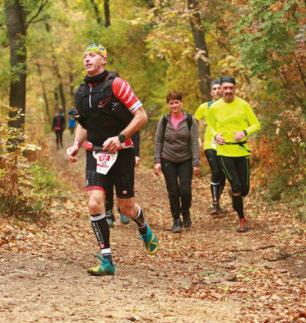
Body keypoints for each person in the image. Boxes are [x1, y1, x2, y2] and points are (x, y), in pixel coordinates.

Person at [66, 43, 158, 276]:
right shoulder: (80, 92)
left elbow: (142, 116)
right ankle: (106, 259)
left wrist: (120, 137)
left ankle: (143, 226)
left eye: (93, 55)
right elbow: (83, 124)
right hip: (96, 152)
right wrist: (76, 145)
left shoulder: (117, 84)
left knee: (126, 208)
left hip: (123, 152)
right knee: (94, 203)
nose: (87, 59)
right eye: (85, 55)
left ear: (103, 60)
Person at [207, 76, 261, 232]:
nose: (228, 90)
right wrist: (216, 135)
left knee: (244, 189)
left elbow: (256, 124)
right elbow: (210, 126)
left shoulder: (243, 105)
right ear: (221, 89)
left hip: (241, 151)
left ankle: (235, 194)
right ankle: (242, 219)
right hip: (224, 152)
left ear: (235, 88)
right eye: (225, 88)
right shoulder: (215, 107)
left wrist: (244, 131)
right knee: (236, 186)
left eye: (231, 87)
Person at [154, 91, 200, 233]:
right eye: (171, 103)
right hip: (168, 159)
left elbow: (194, 142)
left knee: (185, 190)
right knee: (173, 190)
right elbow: (158, 141)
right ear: (168, 105)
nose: (174, 105)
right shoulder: (164, 120)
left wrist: (196, 162)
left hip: (185, 160)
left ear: (181, 103)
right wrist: (157, 161)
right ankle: (176, 220)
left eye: (177, 102)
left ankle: (185, 211)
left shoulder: (190, 120)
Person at [194, 80, 226, 215]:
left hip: (226, 144)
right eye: (215, 89)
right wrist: (196, 137)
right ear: (211, 92)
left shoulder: (228, 106)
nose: (217, 91)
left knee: (223, 174)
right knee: (216, 171)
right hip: (210, 143)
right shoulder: (204, 106)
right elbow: (193, 120)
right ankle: (214, 203)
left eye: (219, 88)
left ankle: (217, 200)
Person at [105, 131, 141, 226]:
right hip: (105, 151)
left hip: (125, 151)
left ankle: (123, 209)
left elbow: (135, 133)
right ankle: (108, 211)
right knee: (107, 183)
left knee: (124, 182)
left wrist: (136, 154)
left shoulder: (130, 116)